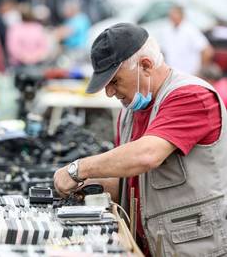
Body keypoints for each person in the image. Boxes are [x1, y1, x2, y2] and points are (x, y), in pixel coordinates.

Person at [53, 23, 227, 256]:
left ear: (145, 65)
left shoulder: (192, 96)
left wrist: (77, 169)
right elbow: (133, 179)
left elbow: (147, 155)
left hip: (192, 246)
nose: (110, 92)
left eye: (114, 81)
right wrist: (94, 186)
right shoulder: (130, 110)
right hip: (151, 243)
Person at [160, 5, 214, 76]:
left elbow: (207, 51)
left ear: (182, 15)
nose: (171, 16)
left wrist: (200, 71)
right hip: (174, 75)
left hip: (190, 74)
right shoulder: (167, 31)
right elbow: (164, 52)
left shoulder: (190, 30)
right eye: (170, 14)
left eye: (174, 14)